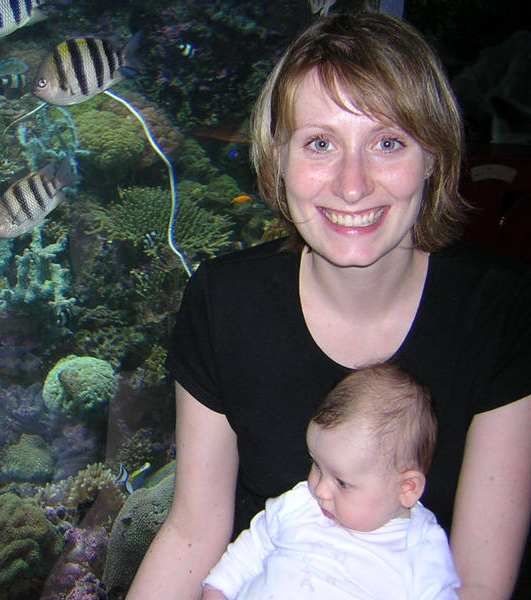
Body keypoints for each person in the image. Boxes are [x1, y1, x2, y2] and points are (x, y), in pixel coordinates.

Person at [126, 12, 531, 600]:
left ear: (435, 158)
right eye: (320, 143)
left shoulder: (503, 313)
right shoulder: (223, 302)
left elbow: (480, 585)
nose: (351, 184)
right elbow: (193, 533)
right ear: (278, 159)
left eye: (388, 142)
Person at [201, 363, 460, 599]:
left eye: (342, 483)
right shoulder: (300, 504)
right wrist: (218, 591)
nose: (320, 489)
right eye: (317, 465)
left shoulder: (420, 548)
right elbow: (250, 552)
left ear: (407, 488)